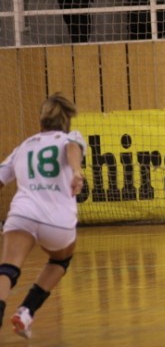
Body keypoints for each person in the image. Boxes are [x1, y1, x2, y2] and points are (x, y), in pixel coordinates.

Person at [0, 93, 86, 339]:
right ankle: (27, 311)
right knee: (61, 260)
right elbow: (71, 148)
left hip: (23, 214)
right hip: (57, 222)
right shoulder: (71, 137)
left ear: (41, 121)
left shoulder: (23, 147)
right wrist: (76, 172)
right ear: (67, 121)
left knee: (8, 268)